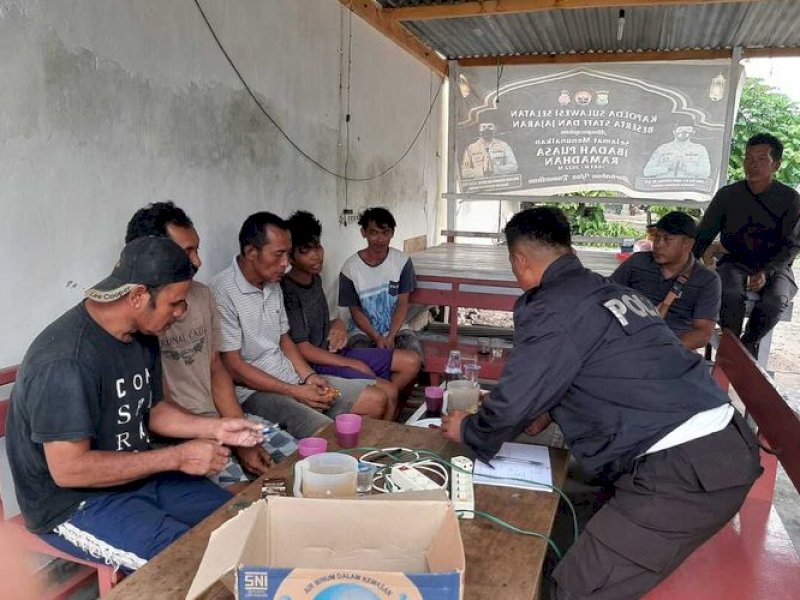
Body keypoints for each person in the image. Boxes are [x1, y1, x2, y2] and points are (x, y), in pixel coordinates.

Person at [440, 207, 761, 599]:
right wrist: (542, 405)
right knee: (559, 519)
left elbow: (510, 406)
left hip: (683, 470)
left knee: (573, 590)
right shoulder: (615, 293)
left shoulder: (552, 306)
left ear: (519, 260)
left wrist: (468, 429)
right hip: (718, 445)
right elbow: (601, 368)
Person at [6, 237, 263, 571]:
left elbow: (152, 409)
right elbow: (69, 469)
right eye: (175, 303)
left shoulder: (142, 334)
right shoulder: (66, 362)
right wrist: (178, 456)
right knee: (190, 565)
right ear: (138, 296)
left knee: (239, 523)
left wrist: (216, 428)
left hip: (135, 476)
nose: (181, 312)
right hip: (74, 503)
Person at [125, 202, 297, 489]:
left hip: (219, 420)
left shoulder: (202, 296)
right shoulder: (139, 317)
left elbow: (217, 369)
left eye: (196, 249)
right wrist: (220, 435)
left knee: (300, 463)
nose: (197, 262)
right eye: (186, 252)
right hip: (181, 437)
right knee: (244, 500)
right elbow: (157, 410)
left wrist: (237, 431)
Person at [211, 212, 390, 440]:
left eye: (287, 254)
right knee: (328, 433)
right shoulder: (222, 291)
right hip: (257, 392)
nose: (285, 264)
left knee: (377, 400)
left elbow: (285, 341)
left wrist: (309, 377)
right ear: (251, 253)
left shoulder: (273, 285)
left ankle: (354, 462)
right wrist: (294, 391)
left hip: (292, 378)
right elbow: (234, 367)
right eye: (278, 255)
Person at [282, 211, 420, 411]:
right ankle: (375, 409)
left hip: (335, 350)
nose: (316, 256)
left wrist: (337, 324)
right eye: (305, 251)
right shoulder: (289, 291)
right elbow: (302, 348)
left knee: (411, 361)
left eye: (318, 247)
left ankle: (384, 410)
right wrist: (350, 363)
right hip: (317, 363)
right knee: (386, 392)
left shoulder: (314, 279)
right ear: (291, 257)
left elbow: (324, 324)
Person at [694, 133, 800, 355]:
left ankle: (748, 345)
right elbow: (703, 234)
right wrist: (685, 264)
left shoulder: (790, 199)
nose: (753, 165)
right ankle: (731, 347)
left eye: (762, 159)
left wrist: (767, 271)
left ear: (776, 165)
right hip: (735, 261)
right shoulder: (728, 195)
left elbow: (791, 246)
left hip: (776, 265)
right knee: (730, 293)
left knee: (775, 301)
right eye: (748, 158)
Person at [611, 211, 721, 350]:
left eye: (667, 239)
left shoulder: (707, 280)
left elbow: (702, 333)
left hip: (670, 349)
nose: (658, 244)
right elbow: (606, 295)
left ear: (687, 244)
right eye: (656, 237)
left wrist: (663, 350)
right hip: (625, 341)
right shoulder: (637, 262)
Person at [338, 207, 423, 358]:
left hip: (397, 329)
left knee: (413, 352)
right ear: (363, 233)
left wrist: (390, 336)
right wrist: (376, 337)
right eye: (373, 233)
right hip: (362, 331)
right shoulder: (350, 268)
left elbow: (403, 304)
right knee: (361, 358)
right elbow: (355, 311)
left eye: (385, 233)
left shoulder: (402, 262)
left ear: (392, 233)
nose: (380, 239)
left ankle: (398, 383)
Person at [643, 120, 711, 179]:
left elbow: (706, 172)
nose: (683, 132)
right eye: (680, 129)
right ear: (674, 132)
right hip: (663, 189)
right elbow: (647, 171)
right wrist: (666, 168)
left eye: (687, 130)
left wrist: (688, 169)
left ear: (693, 132)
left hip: (688, 190)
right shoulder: (662, 149)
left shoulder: (700, 149)